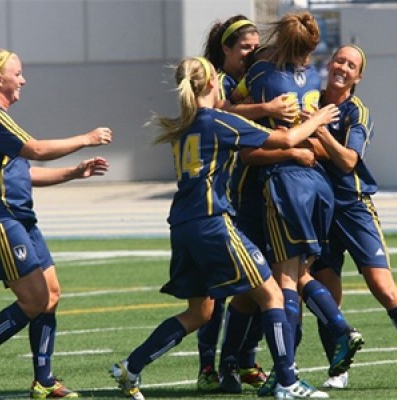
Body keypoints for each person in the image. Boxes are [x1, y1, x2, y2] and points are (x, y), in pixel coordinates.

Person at [109, 56, 339, 400]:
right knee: (272, 293)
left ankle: (132, 367)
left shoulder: (184, 126)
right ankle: (288, 383)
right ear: (215, 83)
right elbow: (288, 139)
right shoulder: (219, 121)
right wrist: (320, 117)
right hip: (211, 220)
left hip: (182, 224)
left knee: (200, 311)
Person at [0, 48, 113, 399]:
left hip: (20, 217)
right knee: (34, 299)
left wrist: (74, 173)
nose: (23, 79)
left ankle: (44, 381)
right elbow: (35, 149)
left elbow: (25, 172)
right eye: (17, 73)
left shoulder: (1, 119)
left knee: (50, 294)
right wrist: (86, 138)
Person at [236, 12, 365, 396]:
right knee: (298, 273)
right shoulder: (314, 80)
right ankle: (329, 336)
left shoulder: (259, 71)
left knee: (284, 280)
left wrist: (266, 113)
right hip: (319, 186)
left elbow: (227, 112)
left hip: (285, 184)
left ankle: (287, 371)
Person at [309, 44, 397, 390]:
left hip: (354, 207)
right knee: (328, 296)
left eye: (351, 65)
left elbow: (349, 161)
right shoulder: (309, 98)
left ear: (358, 76)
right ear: (330, 63)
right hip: (318, 211)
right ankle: (338, 370)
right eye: (340, 60)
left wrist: (319, 130)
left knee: (383, 288)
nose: (343, 67)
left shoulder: (357, 112)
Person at [198, 15, 309, 394]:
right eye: (243, 47)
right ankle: (209, 367)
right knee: (221, 288)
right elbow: (214, 113)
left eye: (253, 46)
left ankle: (245, 360)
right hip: (220, 196)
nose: (250, 53)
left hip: (252, 193)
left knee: (265, 283)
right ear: (225, 50)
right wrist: (270, 112)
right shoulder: (215, 82)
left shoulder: (259, 76)